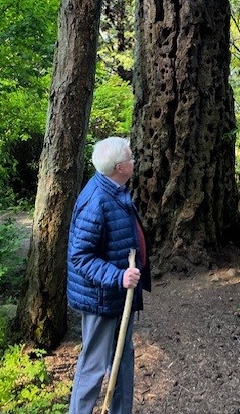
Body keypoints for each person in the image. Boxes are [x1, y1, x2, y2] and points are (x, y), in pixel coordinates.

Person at [67, 136, 150, 414]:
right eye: (130, 158)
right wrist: (118, 277)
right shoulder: (98, 199)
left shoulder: (115, 189)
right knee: (93, 365)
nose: (134, 162)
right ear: (119, 167)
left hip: (117, 297)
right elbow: (81, 256)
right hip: (101, 298)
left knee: (122, 360)